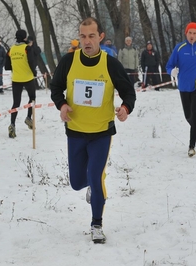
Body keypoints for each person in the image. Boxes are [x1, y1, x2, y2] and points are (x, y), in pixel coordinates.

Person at [50, 17, 136, 243]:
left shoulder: (110, 64)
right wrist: (62, 105)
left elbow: (129, 92)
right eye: (82, 36)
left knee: (96, 178)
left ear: (100, 37)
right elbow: (56, 87)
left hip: (101, 133)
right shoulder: (69, 61)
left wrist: (126, 108)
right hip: (76, 132)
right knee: (78, 182)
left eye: (91, 36)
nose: (86, 41)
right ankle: (91, 183)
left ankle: (96, 224)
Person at [166, 22, 196, 157]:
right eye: (190, 33)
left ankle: (191, 146)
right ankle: (195, 131)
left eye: (194, 33)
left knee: (195, 112)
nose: (192, 36)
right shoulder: (179, 48)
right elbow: (169, 65)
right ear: (186, 33)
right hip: (184, 86)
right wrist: (172, 71)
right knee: (188, 115)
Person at [6, 29, 37, 137]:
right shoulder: (27, 48)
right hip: (27, 77)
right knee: (32, 98)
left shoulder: (11, 49)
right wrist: (34, 72)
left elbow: (7, 65)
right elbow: (31, 61)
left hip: (16, 79)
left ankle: (12, 125)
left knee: (16, 103)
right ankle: (29, 117)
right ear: (25, 38)